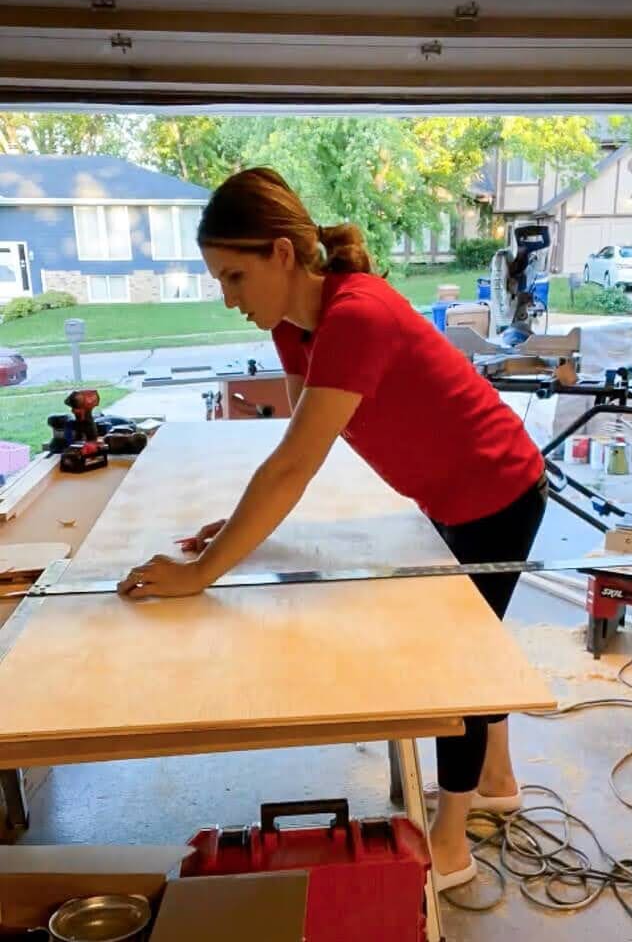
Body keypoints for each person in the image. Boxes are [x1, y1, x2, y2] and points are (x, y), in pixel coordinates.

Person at [118, 166, 547, 891]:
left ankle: (451, 840)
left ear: (281, 255)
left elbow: (292, 465)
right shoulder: (294, 325)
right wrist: (242, 527)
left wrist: (203, 571)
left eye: (234, 276)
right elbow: (301, 449)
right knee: (479, 641)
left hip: (497, 495)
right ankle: (497, 779)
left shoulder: (356, 315)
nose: (228, 299)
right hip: (449, 497)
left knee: (459, 668)